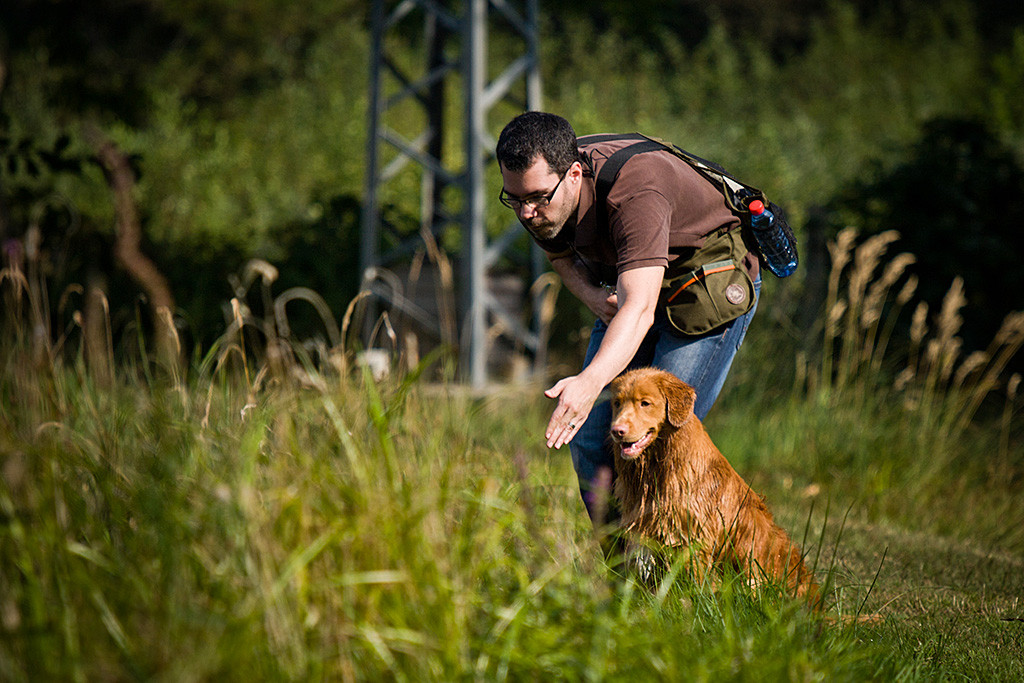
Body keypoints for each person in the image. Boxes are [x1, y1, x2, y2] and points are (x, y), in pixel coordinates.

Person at [496, 111, 761, 521]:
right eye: (514, 200)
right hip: (632, 287)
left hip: (703, 287)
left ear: (573, 174)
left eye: (536, 199)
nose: (526, 213)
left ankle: (686, 565)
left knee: (659, 437)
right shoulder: (541, 190)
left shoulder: (635, 191)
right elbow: (561, 255)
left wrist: (589, 383)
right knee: (589, 441)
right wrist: (591, 295)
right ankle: (623, 577)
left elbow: (638, 311)